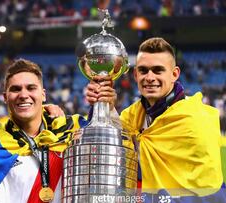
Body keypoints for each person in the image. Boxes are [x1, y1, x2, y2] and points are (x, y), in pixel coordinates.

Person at [87, 37, 225, 201]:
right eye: (144, 70)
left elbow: (206, 189)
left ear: (174, 74)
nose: (150, 77)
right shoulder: (133, 114)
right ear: (136, 74)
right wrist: (104, 106)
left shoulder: (194, 118)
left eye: (158, 70)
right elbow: (115, 150)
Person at [0, 58, 115, 202]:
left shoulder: (71, 127)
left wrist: (107, 105)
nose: (23, 95)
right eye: (16, 89)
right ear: (5, 98)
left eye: (31, 88)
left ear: (43, 94)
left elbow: (111, 144)